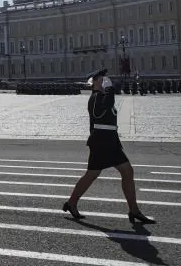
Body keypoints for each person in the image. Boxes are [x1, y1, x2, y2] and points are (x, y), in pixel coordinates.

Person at [63, 68, 156, 224]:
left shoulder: (103, 96)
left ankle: (134, 211)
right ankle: (71, 202)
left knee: (127, 171)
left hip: (111, 141)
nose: (105, 81)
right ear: (94, 82)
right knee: (92, 174)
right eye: (101, 79)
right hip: (100, 142)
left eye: (104, 79)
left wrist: (109, 90)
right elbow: (101, 111)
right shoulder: (95, 98)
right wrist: (110, 89)